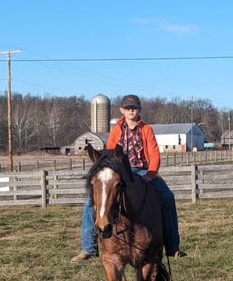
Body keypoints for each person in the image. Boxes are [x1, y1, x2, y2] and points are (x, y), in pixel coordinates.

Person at [72, 94, 186, 262]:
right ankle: (88, 247)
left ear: (139, 110)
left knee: (168, 197)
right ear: (122, 110)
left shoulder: (146, 129)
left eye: (134, 108)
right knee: (90, 202)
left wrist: (151, 174)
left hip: (142, 170)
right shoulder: (116, 130)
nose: (131, 111)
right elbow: (109, 153)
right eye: (128, 108)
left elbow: (154, 154)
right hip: (120, 172)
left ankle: (172, 246)